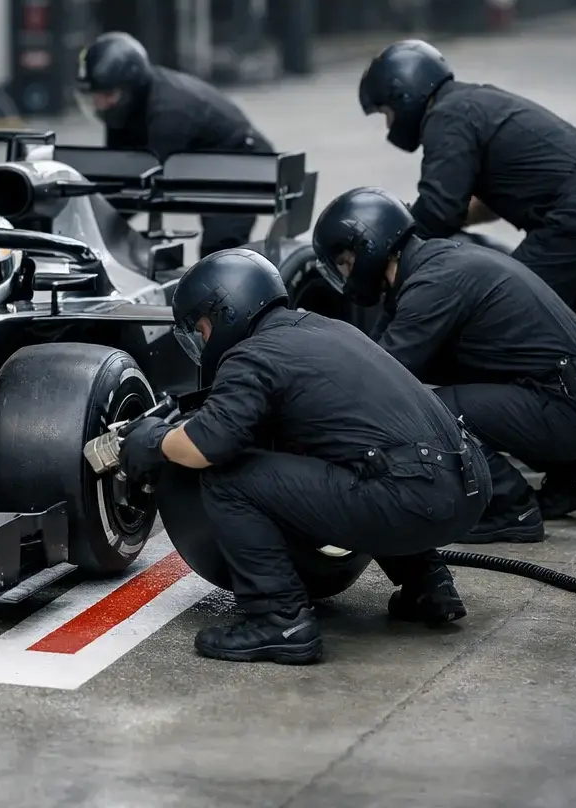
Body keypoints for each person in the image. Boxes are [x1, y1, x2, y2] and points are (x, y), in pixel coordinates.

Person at [115, 248, 489, 665]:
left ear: (222, 311)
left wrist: (154, 439)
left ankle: (279, 621)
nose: (202, 342)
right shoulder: (327, 329)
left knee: (228, 482)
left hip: (411, 496)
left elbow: (209, 445)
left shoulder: (254, 353)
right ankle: (429, 588)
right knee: (360, 456)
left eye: (199, 329)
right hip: (468, 484)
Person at [358, 39, 576, 485]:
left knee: (503, 320)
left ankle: (563, 460)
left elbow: (439, 211)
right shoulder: (474, 102)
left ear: (404, 95)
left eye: (385, 110)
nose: (388, 121)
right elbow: (479, 205)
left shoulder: (447, 117)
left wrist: (390, 244)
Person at [312, 187, 576, 544]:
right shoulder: (433, 263)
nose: (345, 272)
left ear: (367, 246)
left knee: (440, 411)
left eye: (344, 261)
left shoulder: (431, 285)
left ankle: (512, 508)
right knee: (455, 376)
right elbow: (374, 353)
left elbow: (384, 378)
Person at [75, 31, 275, 256]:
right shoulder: (125, 106)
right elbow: (116, 169)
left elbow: (139, 182)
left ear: (131, 86)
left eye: (107, 94)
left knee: (219, 251)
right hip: (202, 160)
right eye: (95, 96)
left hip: (241, 161)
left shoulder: (169, 112)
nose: (100, 104)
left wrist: (91, 219)